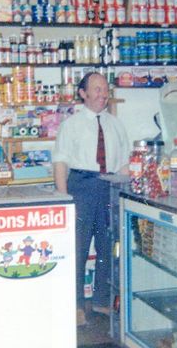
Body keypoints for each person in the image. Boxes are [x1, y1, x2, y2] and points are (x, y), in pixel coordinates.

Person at [53, 72, 130, 326]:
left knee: (110, 245)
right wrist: (64, 199)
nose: (102, 94)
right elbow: (61, 162)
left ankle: (102, 301)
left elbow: (125, 163)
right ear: (83, 93)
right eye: (96, 89)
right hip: (81, 187)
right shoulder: (70, 125)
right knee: (78, 247)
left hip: (109, 186)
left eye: (105, 89)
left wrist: (123, 189)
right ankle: (74, 305)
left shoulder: (116, 124)